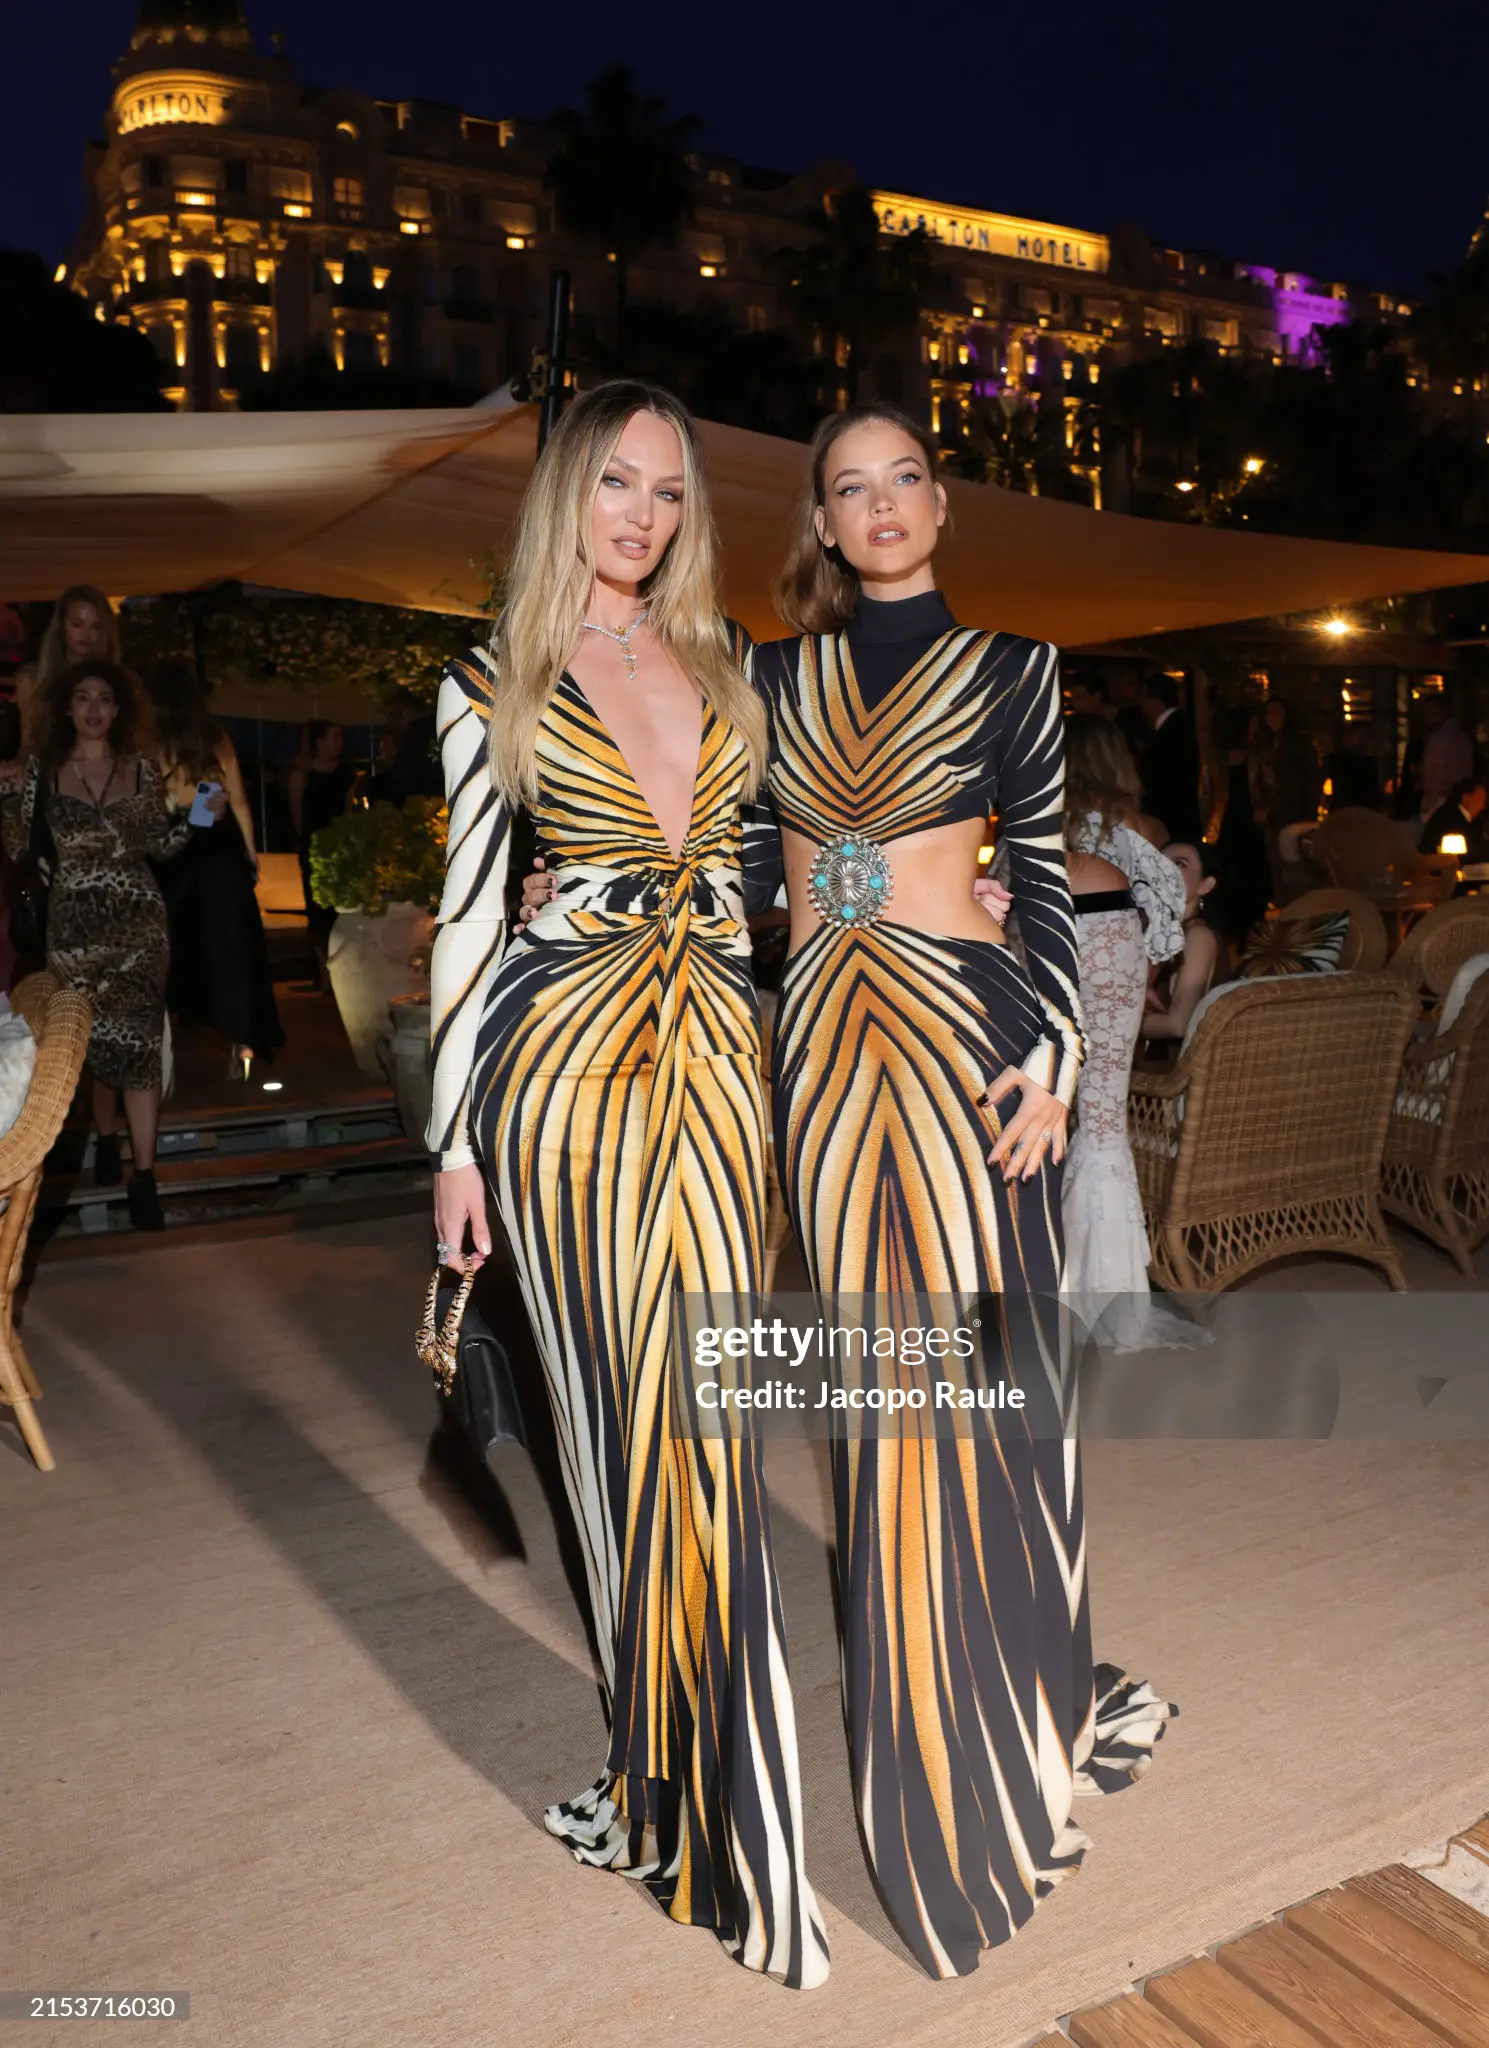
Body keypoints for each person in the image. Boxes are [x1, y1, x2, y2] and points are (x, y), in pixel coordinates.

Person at [752, 409, 1171, 1978]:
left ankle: (1006, 1706)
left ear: (941, 505)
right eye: (849, 486)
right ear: (821, 518)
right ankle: (924, 1739)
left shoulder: (1016, 669)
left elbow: (1043, 880)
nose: (881, 505)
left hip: (968, 1046)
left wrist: (1053, 1055)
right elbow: (743, 867)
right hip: (824, 1050)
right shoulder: (770, 679)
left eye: (905, 478)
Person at [428, 383, 828, 1988]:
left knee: (705, 1429)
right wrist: (453, 1145)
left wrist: (956, 891)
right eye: (615, 483)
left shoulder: (736, 672)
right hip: (564, 1079)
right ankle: (662, 1783)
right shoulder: (489, 683)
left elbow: (805, 866)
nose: (642, 516)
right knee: (614, 1435)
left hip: (720, 1067)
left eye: (667, 491)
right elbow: (470, 918)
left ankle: (683, 1776)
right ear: (564, 493)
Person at [0, 658, 216, 1229]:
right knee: (92, 1042)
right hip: (73, 928)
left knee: (140, 1046)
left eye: (104, 698)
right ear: (67, 708)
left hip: (140, 926)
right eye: (83, 697)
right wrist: (7, 794)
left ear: (118, 709)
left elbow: (162, 846)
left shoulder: (141, 768)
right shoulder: (44, 770)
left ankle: (144, 1178)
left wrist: (201, 815)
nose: (93, 708)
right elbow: (19, 847)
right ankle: (104, 1133)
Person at [1060, 716, 1202, 1351]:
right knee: (1102, 1121)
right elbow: (1169, 914)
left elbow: (1006, 893)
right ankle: (1110, 1296)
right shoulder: (1141, 827)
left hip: (1044, 948)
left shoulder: (1040, 820)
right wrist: (1142, 972)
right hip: (1113, 948)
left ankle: (1053, 1282)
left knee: (1044, 1111)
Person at [148, 659, 284, 1080]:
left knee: (171, 946)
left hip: (176, 847)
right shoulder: (215, 738)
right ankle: (242, 1042)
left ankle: (161, 1046)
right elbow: (238, 799)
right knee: (231, 946)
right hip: (220, 845)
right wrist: (251, 853)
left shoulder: (149, 742)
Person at [13, 585, 121, 753]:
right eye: (77, 624)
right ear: (62, 626)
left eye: (96, 627)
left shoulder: (118, 683)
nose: (86, 634)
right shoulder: (34, 681)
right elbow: (29, 744)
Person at [288, 720, 353, 992]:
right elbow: (297, 815)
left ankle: (341, 969)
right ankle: (323, 970)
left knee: (339, 912)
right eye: (333, 736)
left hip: (340, 850)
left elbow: (349, 812)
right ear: (319, 742)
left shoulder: (346, 775)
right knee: (317, 912)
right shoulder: (302, 775)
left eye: (340, 737)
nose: (339, 742)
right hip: (313, 849)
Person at [1143, 840, 1222, 1041]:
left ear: (1205, 885)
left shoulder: (1199, 937)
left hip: (1169, 1060)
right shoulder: (1150, 931)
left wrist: (1106, 1024)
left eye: (1179, 864)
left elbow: (1178, 1025)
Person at [1214, 704, 1271, 942]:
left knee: (1253, 878)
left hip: (1250, 825)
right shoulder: (1218, 759)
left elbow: (1267, 788)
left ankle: (1250, 930)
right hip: (1228, 825)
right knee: (1232, 877)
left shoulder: (1257, 756)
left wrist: (1265, 808)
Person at [1137, 673, 1203, 843]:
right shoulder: (1177, 727)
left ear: (1156, 701)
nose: (1141, 704)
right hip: (1178, 823)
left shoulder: (1171, 733)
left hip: (1172, 825)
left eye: (1143, 698)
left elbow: (1161, 782)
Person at [1419, 696, 1475, 819]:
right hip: (1441, 800)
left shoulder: (1450, 738)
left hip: (1444, 800)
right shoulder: (1437, 737)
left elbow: (1455, 773)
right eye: (1427, 712)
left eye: (1432, 711)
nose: (1429, 716)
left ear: (1444, 711)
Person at [1421, 775, 1488, 862]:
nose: (1482, 805)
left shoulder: (1472, 820)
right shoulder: (1449, 818)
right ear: (1466, 798)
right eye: (1480, 799)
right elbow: (1468, 851)